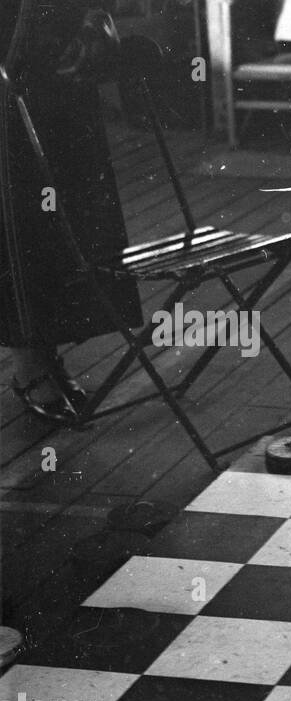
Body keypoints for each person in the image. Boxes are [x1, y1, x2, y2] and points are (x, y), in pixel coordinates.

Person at [1, 0, 141, 425]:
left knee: (69, 221)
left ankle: (47, 355)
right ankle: (30, 361)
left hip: (59, 76)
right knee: (22, 221)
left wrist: (93, 25)